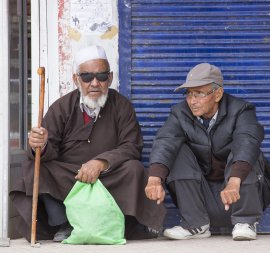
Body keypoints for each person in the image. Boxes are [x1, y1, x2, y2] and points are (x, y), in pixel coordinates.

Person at [10, 45, 165, 242]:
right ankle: (64, 223)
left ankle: (120, 223)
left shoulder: (122, 106)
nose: (94, 83)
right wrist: (38, 144)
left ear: (109, 78)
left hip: (108, 176)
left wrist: (100, 163)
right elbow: (48, 150)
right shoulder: (61, 107)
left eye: (101, 77)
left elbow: (131, 146)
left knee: (134, 169)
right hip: (70, 177)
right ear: (76, 79)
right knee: (35, 167)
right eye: (87, 77)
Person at [145, 63, 266, 241]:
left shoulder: (241, 110)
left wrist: (234, 181)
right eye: (189, 94)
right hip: (203, 199)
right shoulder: (180, 113)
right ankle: (195, 224)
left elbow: (247, 141)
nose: (192, 101)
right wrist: (154, 179)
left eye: (199, 94)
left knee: (247, 153)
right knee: (177, 151)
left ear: (217, 94)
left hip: (236, 194)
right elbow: (165, 141)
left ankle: (245, 221)